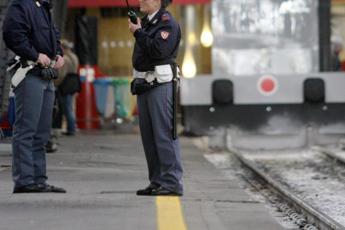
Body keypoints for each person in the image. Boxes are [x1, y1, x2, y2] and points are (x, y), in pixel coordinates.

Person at [2, 0, 66, 193]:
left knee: (41, 132)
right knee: (26, 129)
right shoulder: (20, 5)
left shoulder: (44, 7)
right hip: (30, 73)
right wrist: (35, 54)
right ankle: (25, 180)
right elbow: (12, 35)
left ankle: (39, 179)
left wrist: (59, 53)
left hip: (45, 75)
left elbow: (53, 35)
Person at [128, 0, 183, 196]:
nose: (141, 0)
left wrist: (138, 32)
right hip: (144, 85)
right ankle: (157, 180)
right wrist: (140, 30)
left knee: (163, 134)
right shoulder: (148, 23)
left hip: (160, 84)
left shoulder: (166, 22)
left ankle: (171, 182)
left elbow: (158, 50)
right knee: (149, 137)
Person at [53, 39, 79, 136]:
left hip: (66, 85)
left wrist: (55, 84)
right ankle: (71, 128)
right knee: (71, 107)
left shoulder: (66, 58)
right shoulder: (74, 56)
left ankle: (71, 129)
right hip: (74, 83)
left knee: (67, 108)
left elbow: (62, 74)